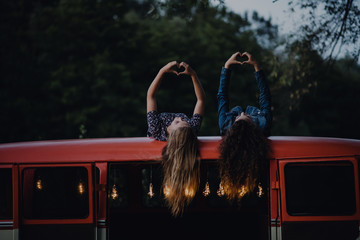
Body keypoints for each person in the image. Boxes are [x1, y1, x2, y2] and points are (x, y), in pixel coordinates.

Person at [147, 61, 206, 216]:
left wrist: (161, 72)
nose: (180, 117)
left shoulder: (156, 129)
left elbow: (151, 96)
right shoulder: (191, 129)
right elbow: (201, 100)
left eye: (178, 122)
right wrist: (193, 75)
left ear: (170, 134)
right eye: (183, 120)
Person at [217, 51, 271, 201]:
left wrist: (227, 67)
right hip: (254, 120)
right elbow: (265, 97)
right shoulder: (263, 124)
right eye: (245, 117)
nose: (241, 114)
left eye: (238, 118)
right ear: (253, 125)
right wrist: (256, 67)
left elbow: (222, 96)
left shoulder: (225, 125)